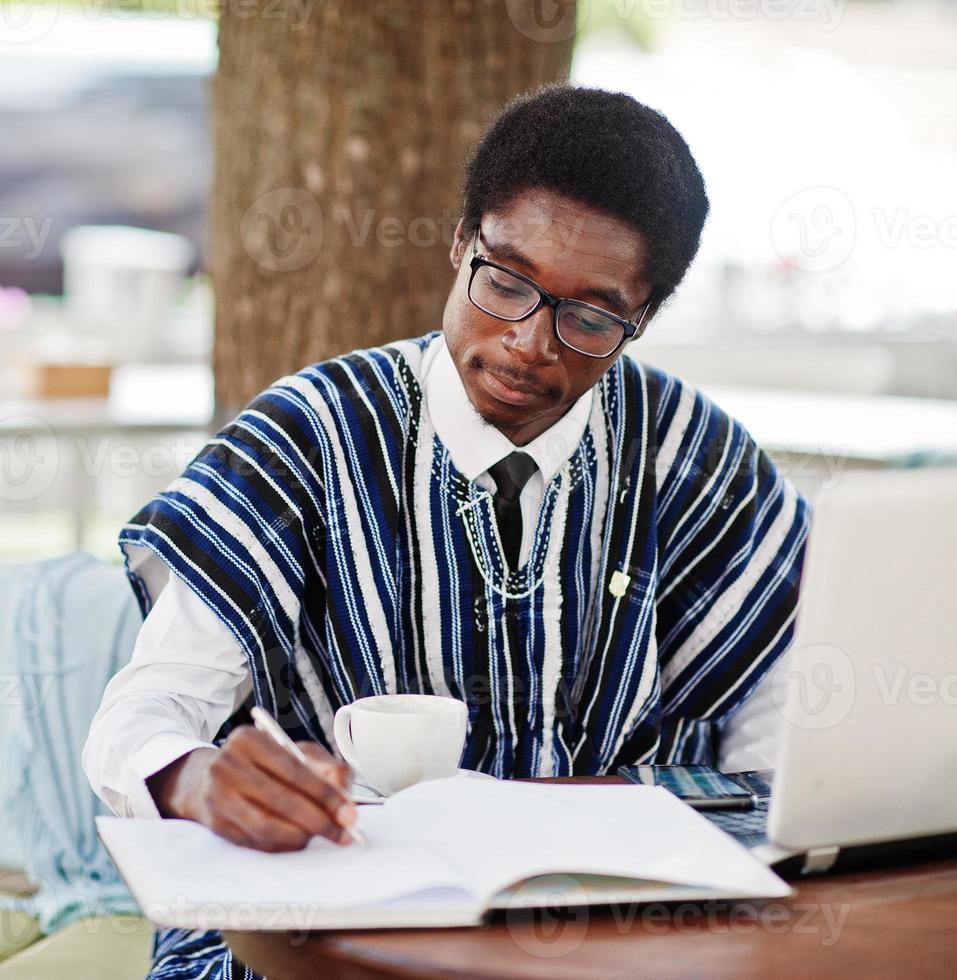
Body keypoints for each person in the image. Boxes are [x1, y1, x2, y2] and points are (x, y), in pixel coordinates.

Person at [83, 85, 810, 980]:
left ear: (642, 319)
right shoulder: (309, 435)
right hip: (325, 938)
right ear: (461, 244)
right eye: (504, 282)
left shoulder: (693, 457)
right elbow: (140, 716)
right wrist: (195, 779)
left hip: (611, 941)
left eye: (589, 317)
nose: (527, 344)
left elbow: (779, 742)